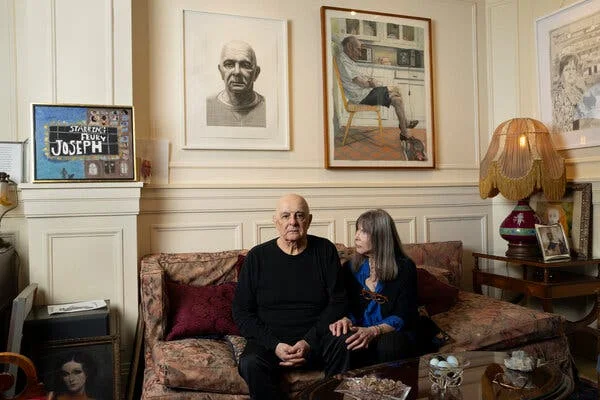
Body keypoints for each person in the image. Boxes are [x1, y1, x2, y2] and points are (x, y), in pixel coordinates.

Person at [232, 193, 351, 399]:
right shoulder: (257, 257)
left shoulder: (325, 251)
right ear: (275, 221)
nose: (293, 222)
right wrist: (275, 345)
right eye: (286, 216)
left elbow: (338, 302)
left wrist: (308, 342)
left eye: (299, 216)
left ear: (309, 220)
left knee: (343, 342)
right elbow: (242, 311)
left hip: (317, 339)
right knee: (250, 363)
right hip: (271, 343)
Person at [329, 209, 421, 368]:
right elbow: (344, 304)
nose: (356, 236)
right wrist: (346, 319)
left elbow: (405, 313)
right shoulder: (350, 268)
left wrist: (374, 330)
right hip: (359, 327)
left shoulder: (405, 267)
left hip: (391, 330)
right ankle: (337, 391)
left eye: (364, 231)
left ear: (381, 237)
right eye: (357, 229)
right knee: (343, 340)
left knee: (391, 345)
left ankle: (393, 392)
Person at [337, 36, 420, 144]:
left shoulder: (347, 59)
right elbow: (361, 83)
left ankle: (404, 123)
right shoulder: (345, 62)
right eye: (358, 49)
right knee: (397, 100)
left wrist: (370, 81)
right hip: (361, 96)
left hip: (363, 93)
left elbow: (359, 78)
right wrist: (372, 83)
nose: (359, 53)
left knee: (396, 90)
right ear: (349, 46)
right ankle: (404, 132)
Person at [206, 40, 266, 127]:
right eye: (229, 64)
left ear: (256, 73)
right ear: (221, 72)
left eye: (245, 65)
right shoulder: (207, 107)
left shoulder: (270, 107)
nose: (237, 72)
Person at [552, 53, 586, 132]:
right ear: (561, 73)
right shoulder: (557, 95)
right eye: (567, 69)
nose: (571, 72)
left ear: (576, 71)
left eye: (573, 69)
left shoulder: (580, 91)